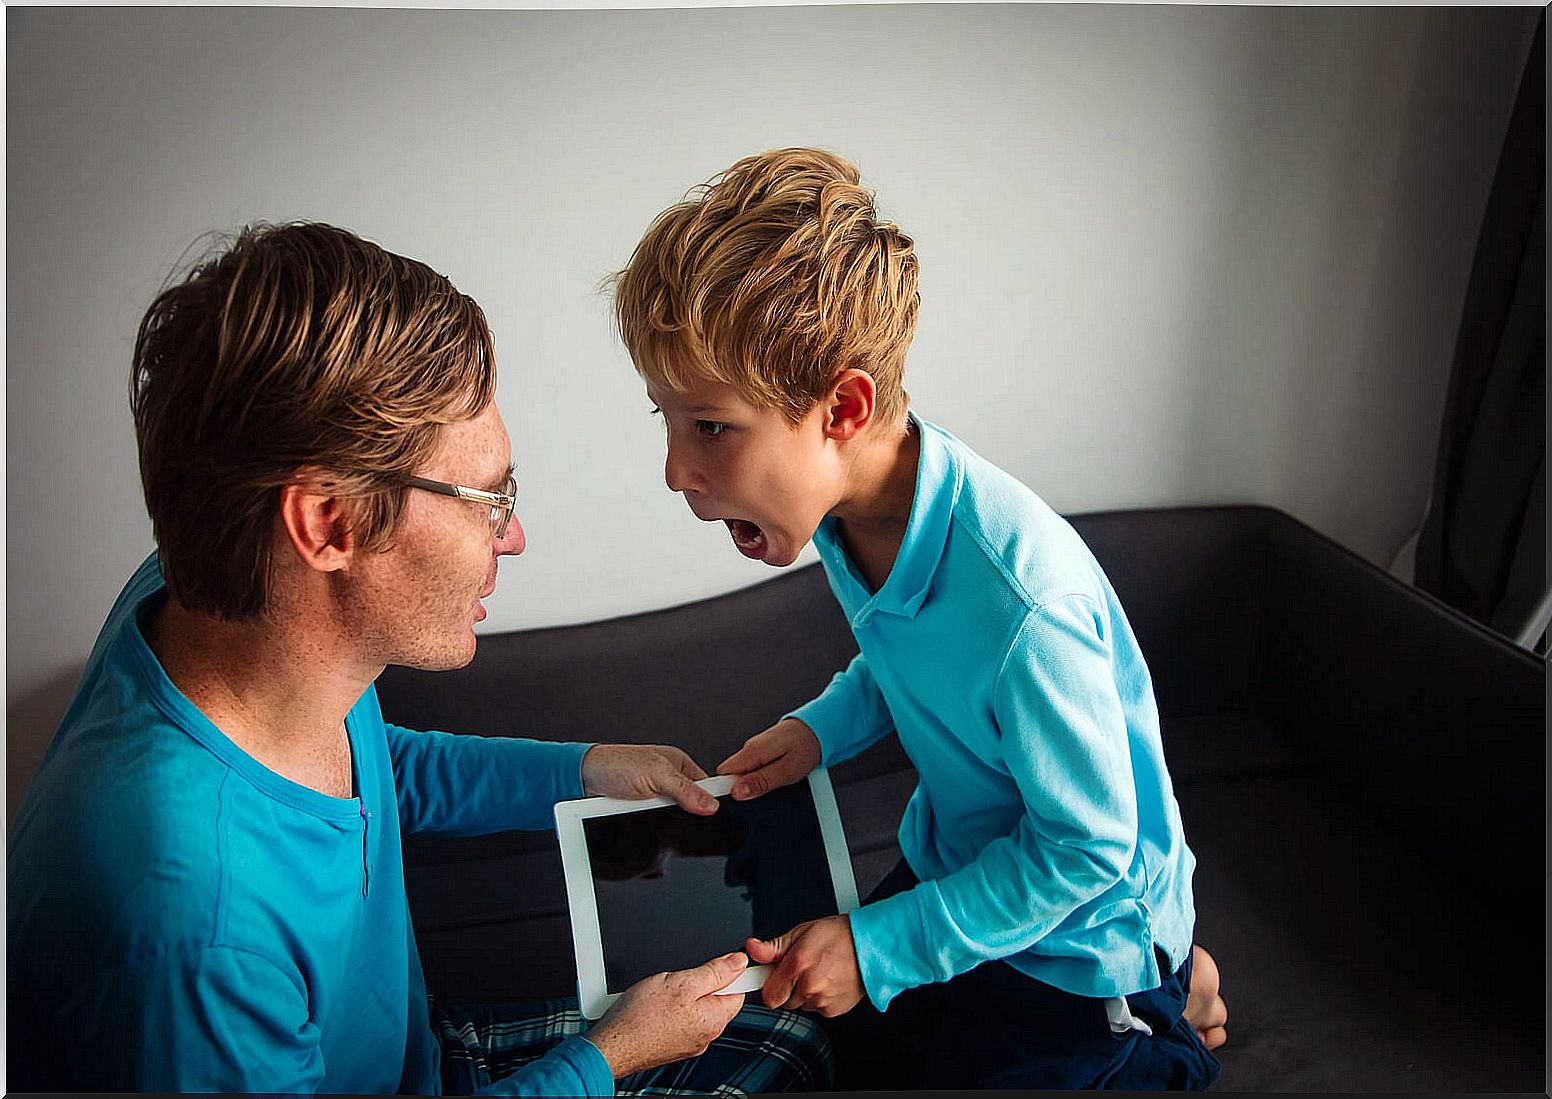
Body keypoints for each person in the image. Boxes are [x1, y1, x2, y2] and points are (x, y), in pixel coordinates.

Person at [6, 222, 831, 1095]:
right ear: (327, 524)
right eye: (488, 498)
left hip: (419, 1056)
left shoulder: (219, 600)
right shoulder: (197, 929)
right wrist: (611, 1054)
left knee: (790, 1035)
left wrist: (585, 769)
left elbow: (364, 767)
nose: (513, 536)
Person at [608, 148, 1229, 1089]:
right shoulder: (850, 516)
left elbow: (1088, 848)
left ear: (843, 409)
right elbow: (909, 660)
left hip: (1078, 949)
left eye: (710, 427)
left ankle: (1166, 998)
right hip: (960, 879)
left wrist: (880, 946)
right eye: (666, 421)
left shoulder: (1027, 606)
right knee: (802, 1048)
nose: (675, 470)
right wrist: (822, 727)